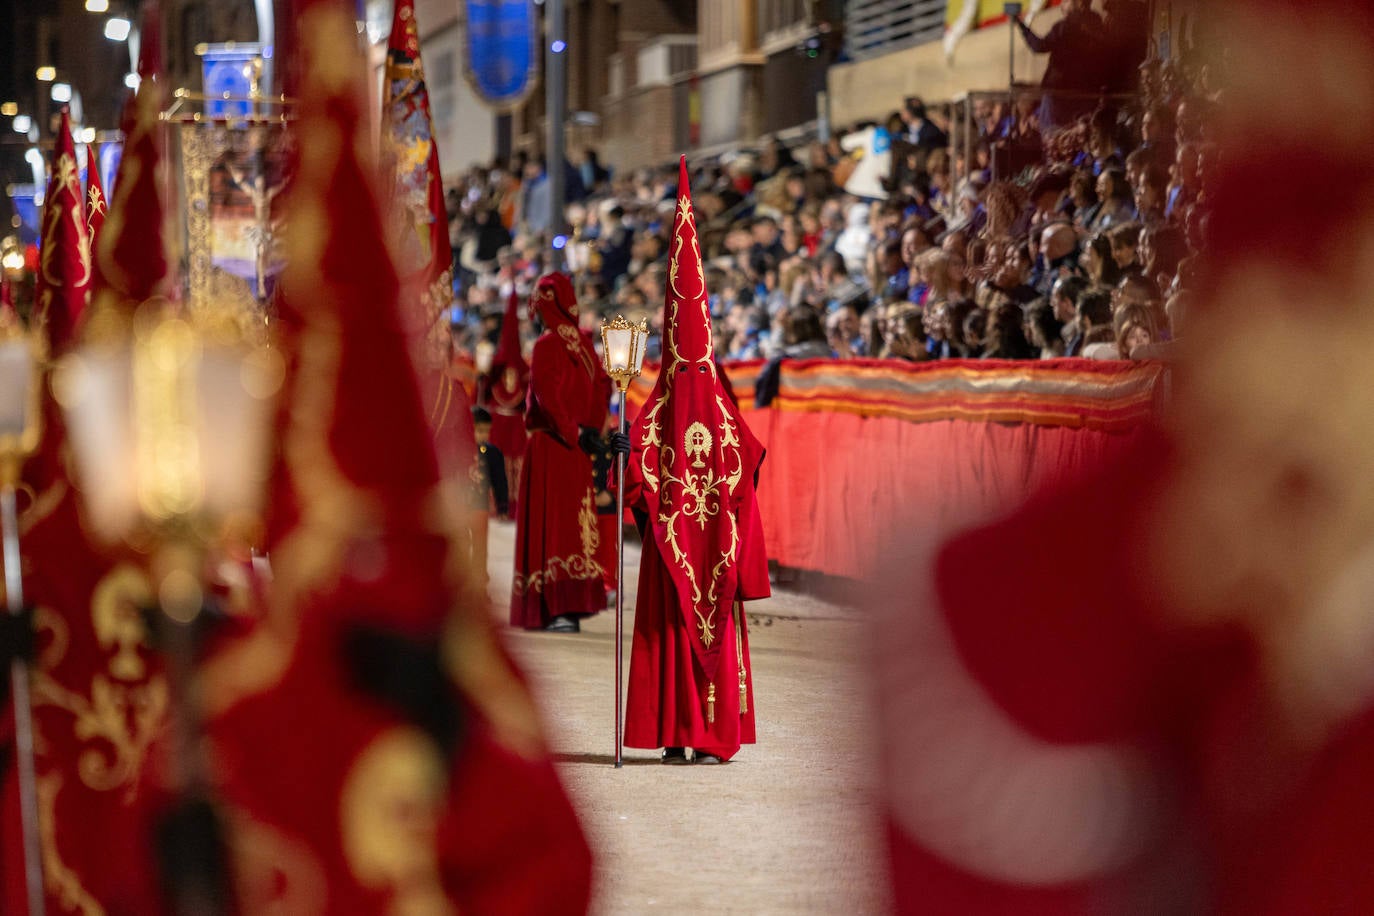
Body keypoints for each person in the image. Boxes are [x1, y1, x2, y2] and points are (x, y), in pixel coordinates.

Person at [622, 158, 769, 765]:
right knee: (703, 623)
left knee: (671, 625)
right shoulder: (718, 400)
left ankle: (679, 733)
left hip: (677, 547)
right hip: (709, 542)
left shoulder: (655, 407)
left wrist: (634, 477)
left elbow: (635, 480)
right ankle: (707, 735)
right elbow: (751, 461)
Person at [511, 272, 611, 633]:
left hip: (553, 443)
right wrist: (589, 431)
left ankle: (554, 607)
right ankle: (572, 602)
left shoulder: (547, 345)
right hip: (579, 446)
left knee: (554, 525)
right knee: (575, 523)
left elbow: (545, 396)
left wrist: (570, 430)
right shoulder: (585, 346)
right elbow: (603, 390)